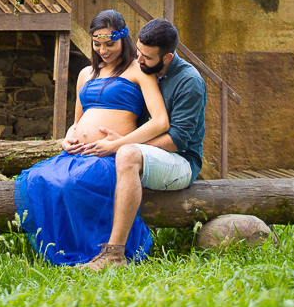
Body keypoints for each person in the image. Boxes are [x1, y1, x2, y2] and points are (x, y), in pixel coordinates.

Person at [14, 10, 169, 266]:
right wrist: (66, 139)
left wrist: (117, 144)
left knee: (72, 183)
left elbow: (161, 121)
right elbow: (77, 122)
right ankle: (67, 249)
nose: (103, 50)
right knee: (40, 178)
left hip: (110, 155)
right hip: (77, 153)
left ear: (123, 40)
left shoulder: (137, 71)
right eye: (97, 44)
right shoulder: (86, 73)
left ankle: (105, 251)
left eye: (110, 44)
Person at [72, 18, 206, 271]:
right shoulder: (145, 71)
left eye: (146, 57)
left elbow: (177, 140)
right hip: (142, 154)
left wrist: (119, 145)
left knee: (127, 155)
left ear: (166, 58)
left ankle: (114, 256)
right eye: (139, 52)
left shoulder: (189, 82)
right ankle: (83, 246)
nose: (138, 59)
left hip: (182, 162)